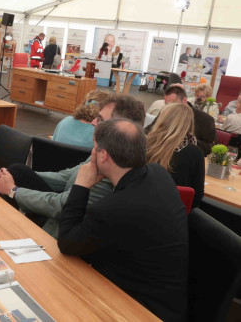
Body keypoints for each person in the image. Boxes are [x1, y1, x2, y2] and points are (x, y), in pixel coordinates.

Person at [57, 118, 188, 321]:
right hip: (169, 297)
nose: (92, 153)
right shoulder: (158, 173)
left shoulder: (113, 209)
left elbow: (66, 242)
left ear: (103, 155)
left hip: (139, 309)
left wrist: (81, 185)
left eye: (95, 148)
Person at [0, 95, 145, 238]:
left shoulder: (110, 167)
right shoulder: (102, 150)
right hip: (61, 211)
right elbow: (65, 176)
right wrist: (11, 178)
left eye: (100, 119)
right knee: (17, 171)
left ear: (119, 128)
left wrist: (13, 190)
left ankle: (1, 232)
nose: (93, 122)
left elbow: (59, 205)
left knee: (15, 178)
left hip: (61, 229)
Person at [146, 103, 204, 207]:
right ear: (189, 123)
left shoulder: (145, 144)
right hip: (174, 216)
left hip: (140, 207)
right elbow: (196, 197)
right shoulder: (195, 153)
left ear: (162, 119)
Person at [144, 84, 216, 156]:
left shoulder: (204, 119)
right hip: (163, 156)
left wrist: (186, 140)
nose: (168, 108)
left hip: (188, 159)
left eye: (173, 104)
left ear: (184, 100)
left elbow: (211, 147)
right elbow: (149, 130)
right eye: (166, 104)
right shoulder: (165, 112)